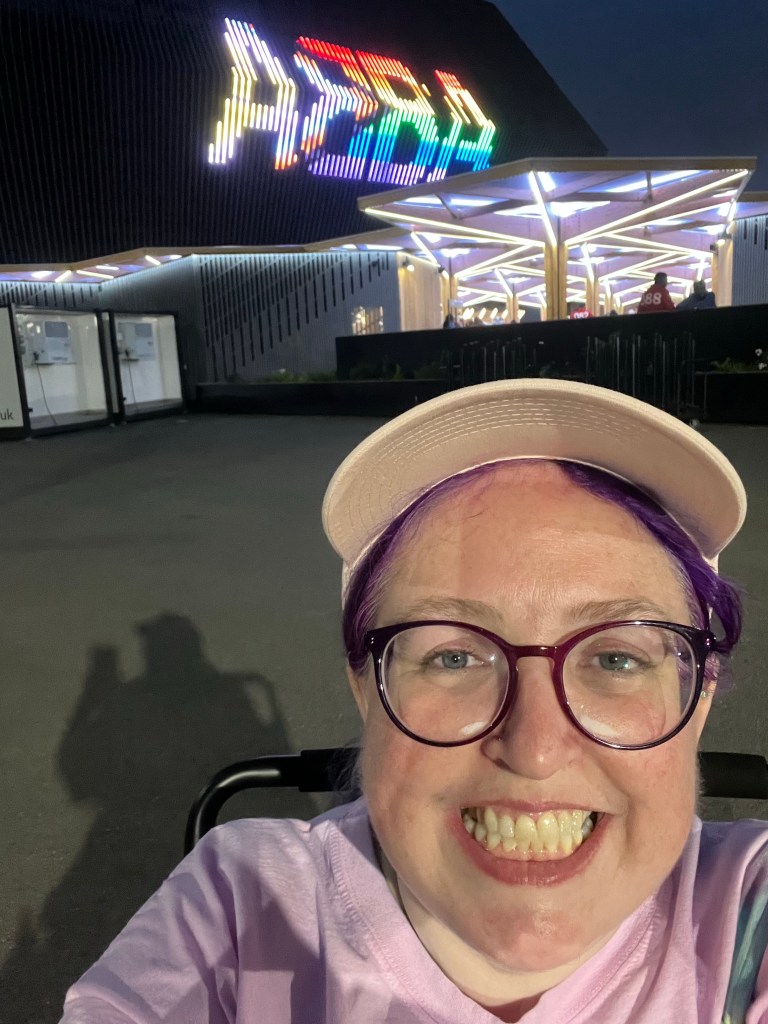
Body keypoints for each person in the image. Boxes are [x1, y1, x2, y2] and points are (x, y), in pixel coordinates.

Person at [59, 379, 768, 1024]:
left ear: (698, 696)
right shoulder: (240, 903)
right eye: (453, 656)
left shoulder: (751, 910)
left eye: (616, 657)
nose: (535, 748)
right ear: (365, 687)